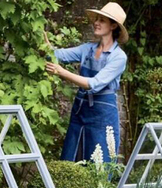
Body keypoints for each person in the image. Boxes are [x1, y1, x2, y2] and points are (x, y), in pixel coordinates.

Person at [45, 2, 128, 162]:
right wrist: (45, 45)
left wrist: (61, 72)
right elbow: (56, 55)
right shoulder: (87, 49)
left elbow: (94, 83)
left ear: (113, 26)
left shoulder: (118, 57)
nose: (96, 23)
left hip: (102, 116)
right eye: (96, 19)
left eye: (102, 20)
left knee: (99, 164)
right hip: (80, 111)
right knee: (71, 156)